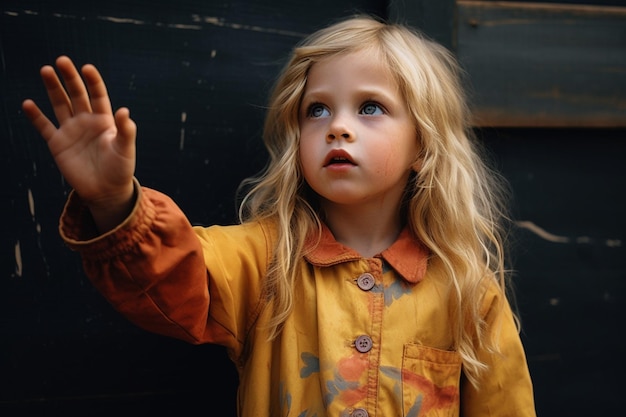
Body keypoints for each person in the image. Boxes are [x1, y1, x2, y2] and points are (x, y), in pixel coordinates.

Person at [22, 14, 536, 417]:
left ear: (423, 145)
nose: (338, 127)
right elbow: (171, 275)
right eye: (317, 110)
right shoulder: (264, 258)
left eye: (370, 107)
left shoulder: (468, 291)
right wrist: (113, 201)